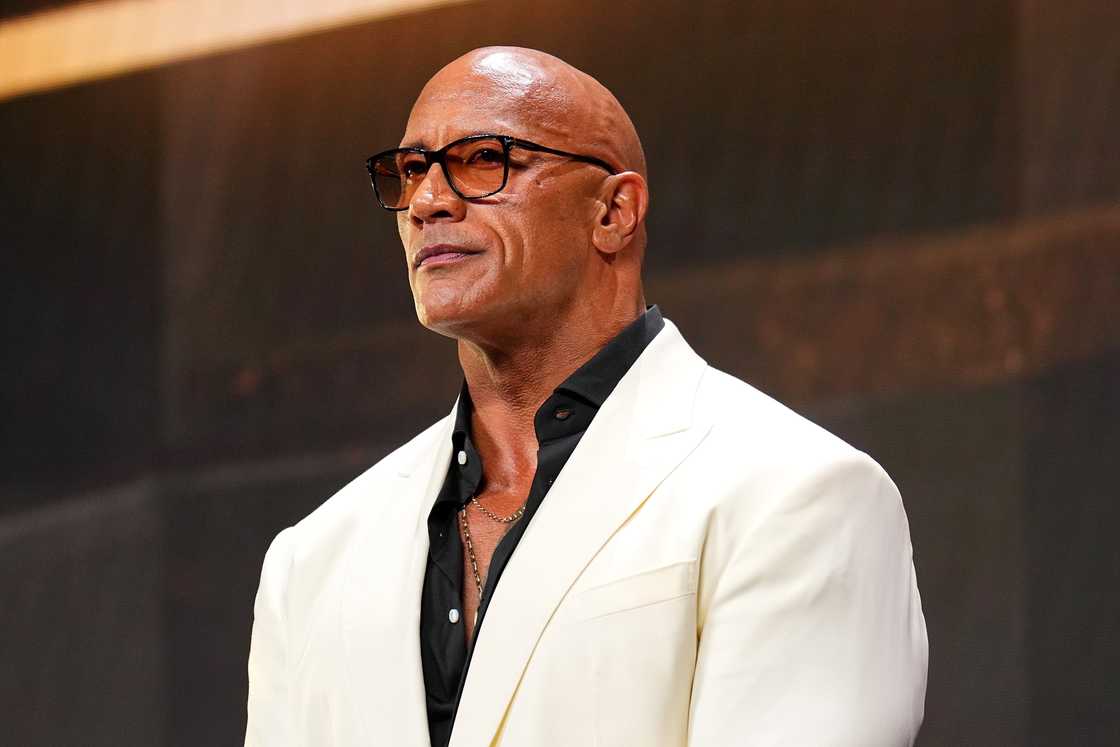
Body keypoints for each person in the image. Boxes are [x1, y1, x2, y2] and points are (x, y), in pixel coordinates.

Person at [245, 46, 928, 747]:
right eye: (413, 169)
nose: (427, 202)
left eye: (484, 159)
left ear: (613, 211)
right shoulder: (312, 561)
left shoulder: (796, 494)